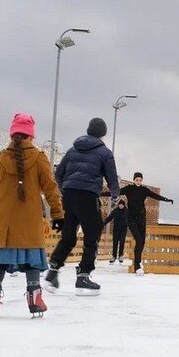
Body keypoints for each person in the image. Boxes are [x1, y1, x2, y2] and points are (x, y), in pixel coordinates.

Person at [0, 113, 64, 317]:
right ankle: (34, 297)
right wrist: (57, 214)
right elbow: (50, 188)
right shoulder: (39, 157)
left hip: (4, 222)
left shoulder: (0, 159)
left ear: (12, 134)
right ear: (31, 136)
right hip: (29, 220)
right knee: (32, 260)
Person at [45, 118, 120, 295]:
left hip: (69, 195)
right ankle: (83, 276)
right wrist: (115, 195)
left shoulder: (72, 150)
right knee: (92, 234)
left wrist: (65, 188)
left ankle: (52, 273)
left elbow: (58, 172)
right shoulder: (105, 152)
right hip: (88, 195)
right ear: (103, 133)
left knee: (68, 236)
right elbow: (112, 177)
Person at [120, 173, 174, 275]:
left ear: (142, 180)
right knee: (139, 240)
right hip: (131, 218)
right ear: (133, 180)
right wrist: (99, 193)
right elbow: (116, 192)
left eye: (140, 180)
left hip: (141, 218)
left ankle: (139, 261)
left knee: (142, 241)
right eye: (137, 180)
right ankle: (137, 266)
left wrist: (166, 199)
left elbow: (155, 195)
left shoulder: (144, 190)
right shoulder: (128, 189)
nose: (138, 182)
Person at [103, 195, 129, 264]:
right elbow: (109, 218)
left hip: (123, 229)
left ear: (124, 205)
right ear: (118, 205)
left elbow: (131, 219)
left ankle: (120, 255)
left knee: (122, 242)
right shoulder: (115, 210)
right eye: (120, 205)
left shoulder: (127, 211)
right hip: (116, 229)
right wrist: (103, 223)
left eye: (122, 205)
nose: (121, 206)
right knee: (115, 243)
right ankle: (114, 256)